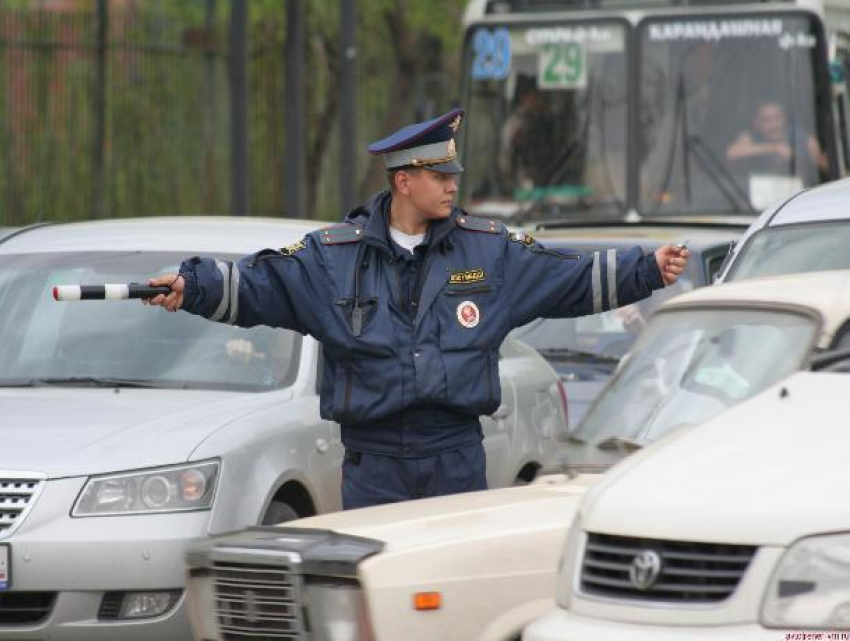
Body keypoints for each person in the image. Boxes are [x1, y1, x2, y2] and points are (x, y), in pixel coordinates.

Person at [144, 108, 689, 510]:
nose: (454, 185)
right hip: (373, 467)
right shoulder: (333, 256)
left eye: (454, 175)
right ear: (403, 181)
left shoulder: (488, 249)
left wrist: (646, 268)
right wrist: (192, 287)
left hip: (455, 457)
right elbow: (260, 284)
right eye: (440, 176)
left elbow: (567, 276)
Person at [725, 101, 827, 185]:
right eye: (766, 120)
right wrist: (774, 148)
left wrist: (797, 158)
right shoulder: (750, 137)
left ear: (785, 118)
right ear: (756, 123)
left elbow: (823, 166)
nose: (773, 125)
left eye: (778, 118)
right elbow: (732, 153)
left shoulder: (802, 138)